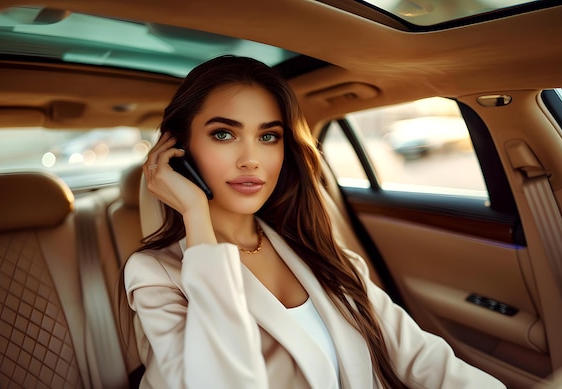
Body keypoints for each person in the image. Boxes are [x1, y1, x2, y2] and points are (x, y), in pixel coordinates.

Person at [122, 55, 506, 389]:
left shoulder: (318, 249)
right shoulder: (154, 274)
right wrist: (195, 215)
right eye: (224, 134)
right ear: (179, 150)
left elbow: (422, 358)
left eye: (269, 136)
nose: (251, 159)